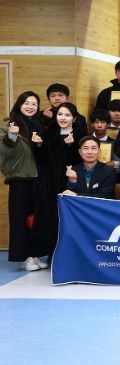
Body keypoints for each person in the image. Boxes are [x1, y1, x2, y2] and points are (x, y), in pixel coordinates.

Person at [1, 91, 46, 271]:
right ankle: (24, 257)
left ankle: (34, 255)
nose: (30, 107)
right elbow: (5, 152)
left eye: (34, 104)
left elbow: (41, 155)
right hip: (20, 178)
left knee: (35, 219)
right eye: (26, 103)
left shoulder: (38, 125)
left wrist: (40, 144)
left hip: (37, 178)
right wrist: (12, 136)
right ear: (19, 104)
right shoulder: (9, 124)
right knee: (20, 219)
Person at [39, 102, 87, 256]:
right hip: (49, 183)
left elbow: (83, 161)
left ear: (74, 118)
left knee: (69, 217)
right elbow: (42, 159)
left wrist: (71, 146)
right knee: (51, 218)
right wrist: (38, 145)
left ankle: (70, 253)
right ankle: (52, 254)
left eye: (67, 115)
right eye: (60, 114)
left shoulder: (80, 135)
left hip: (70, 182)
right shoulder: (49, 133)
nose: (63, 118)